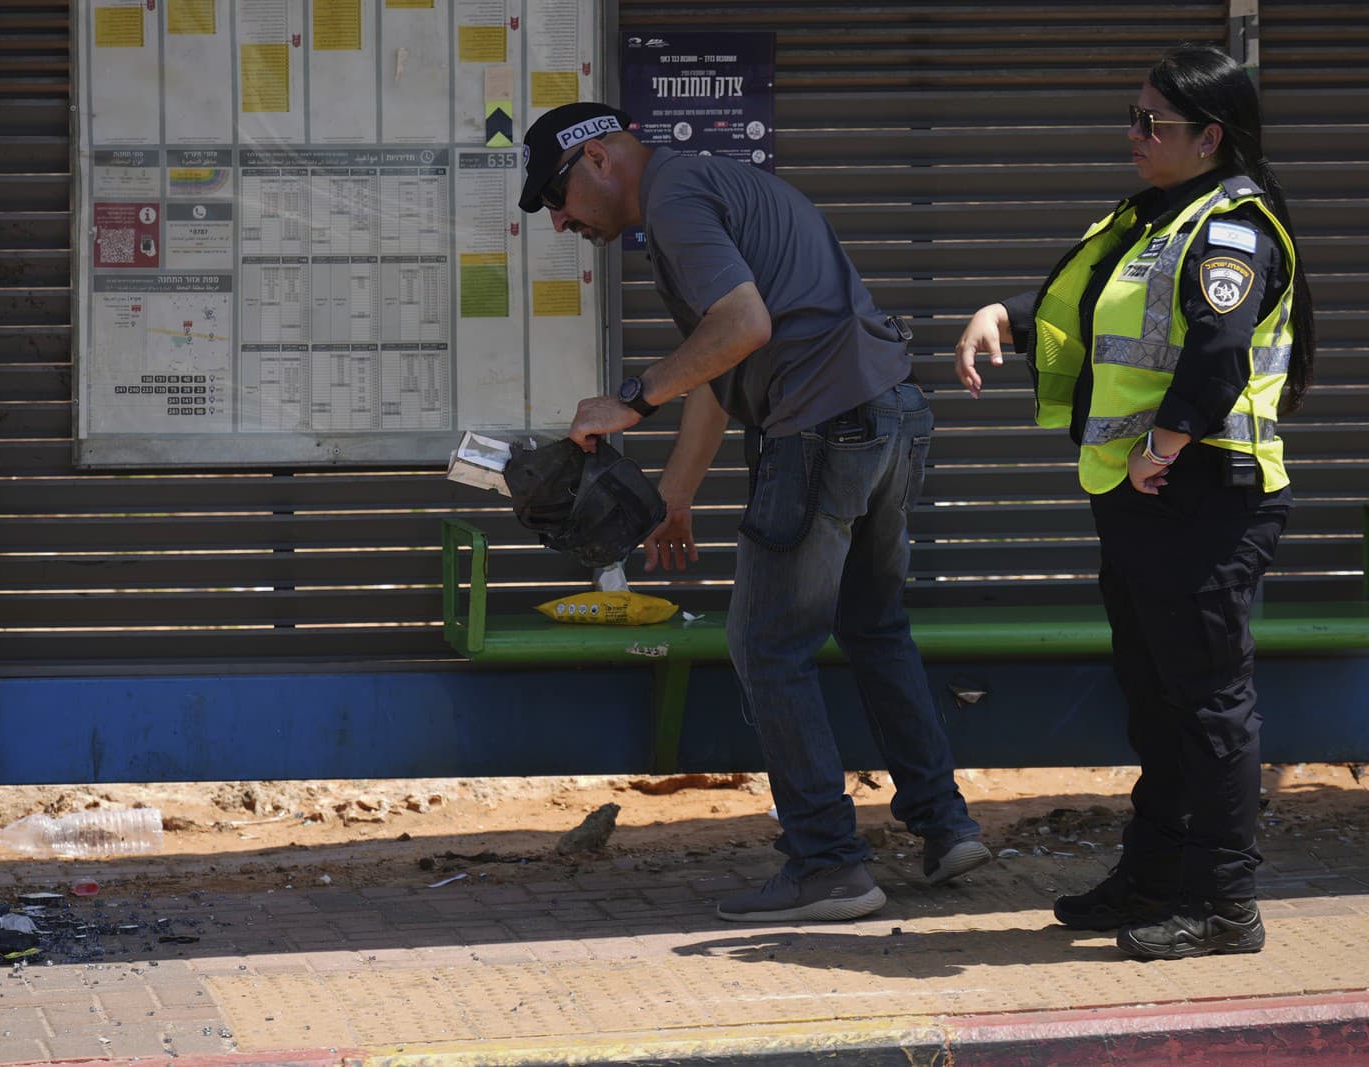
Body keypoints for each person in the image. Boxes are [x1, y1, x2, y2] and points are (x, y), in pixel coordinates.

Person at [517, 102, 990, 923]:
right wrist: (675, 496)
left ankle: (829, 864)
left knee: (767, 645)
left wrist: (631, 398)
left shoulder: (674, 200)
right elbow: (724, 360)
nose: (559, 221)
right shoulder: (709, 184)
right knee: (874, 626)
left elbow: (742, 324)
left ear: (596, 158)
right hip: (887, 412)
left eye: (556, 198)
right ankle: (945, 825)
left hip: (823, 424)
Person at [954, 43, 1315, 960]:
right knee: (1157, 698)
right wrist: (1005, 314)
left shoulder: (1231, 228)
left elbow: (1219, 350)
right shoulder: (1152, 217)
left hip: (1206, 492)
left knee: (1209, 704)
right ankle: (1154, 877)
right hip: (1142, 494)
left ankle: (1224, 903)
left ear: (1209, 136)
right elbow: (1097, 312)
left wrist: (1165, 443)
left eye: (1152, 121)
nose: (1135, 133)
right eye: (1134, 115)